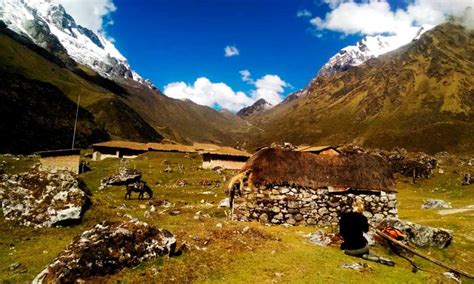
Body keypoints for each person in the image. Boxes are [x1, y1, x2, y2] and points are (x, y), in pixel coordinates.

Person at [339, 198, 395, 266]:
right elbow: (366, 230)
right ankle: (379, 258)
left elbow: (341, 232)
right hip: (362, 247)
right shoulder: (363, 218)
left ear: (352, 206)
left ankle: (370, 257)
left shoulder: (344, 216)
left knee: (357, 251)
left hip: (349, 250)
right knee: (364, 246)